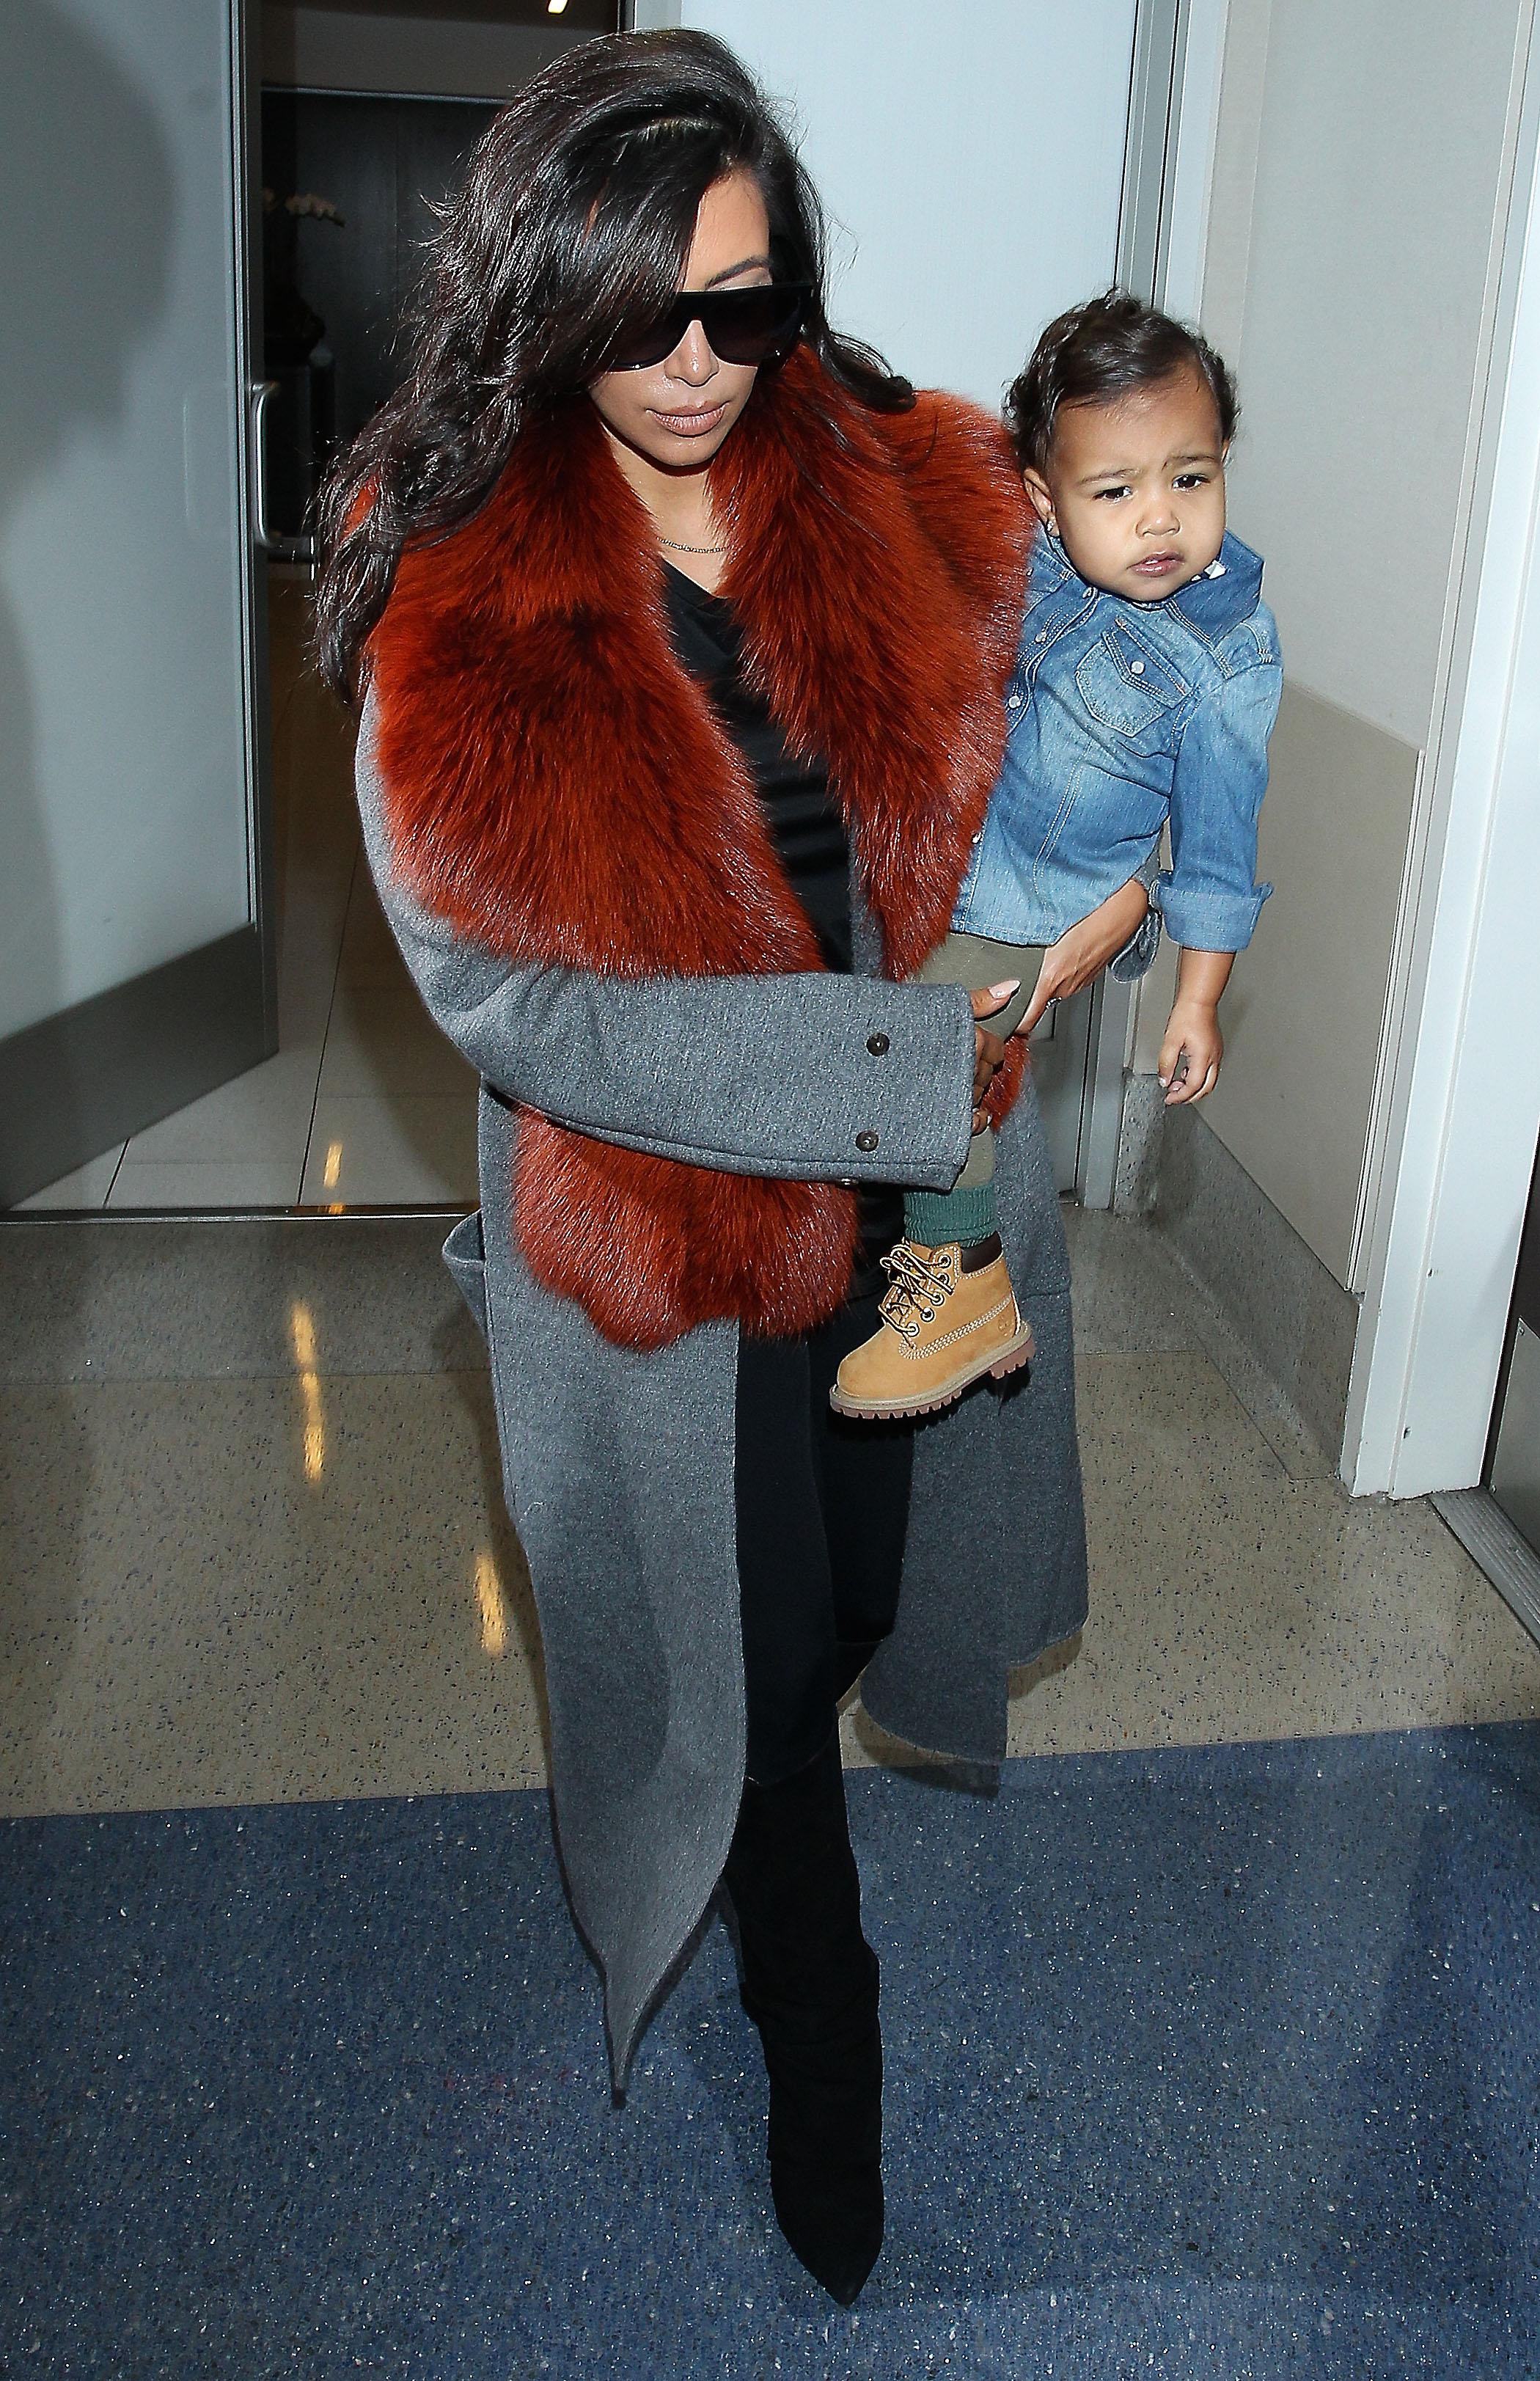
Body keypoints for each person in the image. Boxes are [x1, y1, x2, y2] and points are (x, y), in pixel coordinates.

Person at [314, 31, 1130, 2305]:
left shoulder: (917, 488)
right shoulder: (449, 591)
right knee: (753, 1667)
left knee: (865, 1592)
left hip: (904, 1209)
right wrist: (884, 1058)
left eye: (748, 308)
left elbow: (1081, 736)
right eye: (640, 315)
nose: (697, 365)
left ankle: (798, 1842)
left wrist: (1120, 871)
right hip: (655, 1242)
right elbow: (510, 1006)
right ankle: (820, 2024)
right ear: (541, 297)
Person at [833, 292, 1284, 1422]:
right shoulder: (1032, 554)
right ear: (1046, 501)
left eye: (1192, 477)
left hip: (1039, 908)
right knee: (907, 1052)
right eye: (1116, 491)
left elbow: (1222, 850)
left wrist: (1199, 999)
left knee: (939, 1050)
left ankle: (965, 1285)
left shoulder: (1228, 659)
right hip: (956, 862)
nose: (1159, 522)